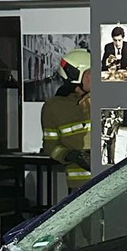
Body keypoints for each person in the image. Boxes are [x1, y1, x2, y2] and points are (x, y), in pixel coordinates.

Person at [42, 48, 93, 192]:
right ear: (75, 76)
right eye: (89, 73)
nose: (95, 77)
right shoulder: (53, 108)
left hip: (111, 180)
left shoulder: (101, 100)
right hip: (79, 187)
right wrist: (71, 155)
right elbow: (50, 146)